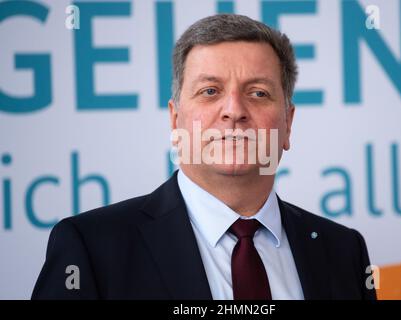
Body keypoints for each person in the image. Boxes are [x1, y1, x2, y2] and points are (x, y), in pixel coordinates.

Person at [32, 14, 377, 300]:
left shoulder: (343, 251)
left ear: (288, 124)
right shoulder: (91, 248)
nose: (234, 110)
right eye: (210, 91)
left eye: (258, 92)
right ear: (175, 119)